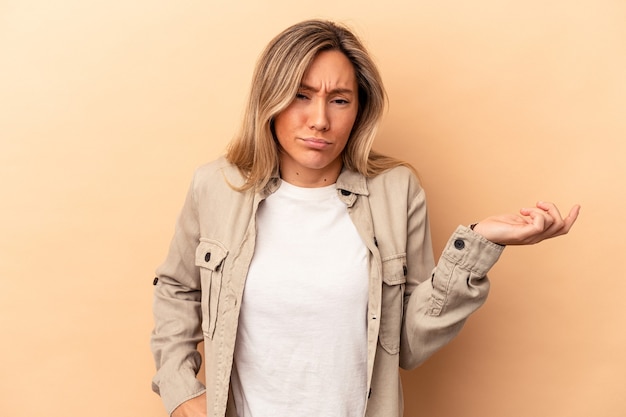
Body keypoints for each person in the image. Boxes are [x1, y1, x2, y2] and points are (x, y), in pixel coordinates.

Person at [150, 19, 580, 417]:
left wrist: (479, 245)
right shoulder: (217, 187)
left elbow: (408, 344)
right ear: (271, 98)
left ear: (359, 111)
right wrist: (181, 390)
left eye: (339, 100)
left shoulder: (396, 191)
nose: (320, 120)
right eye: (301, 95)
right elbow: (177, 287)